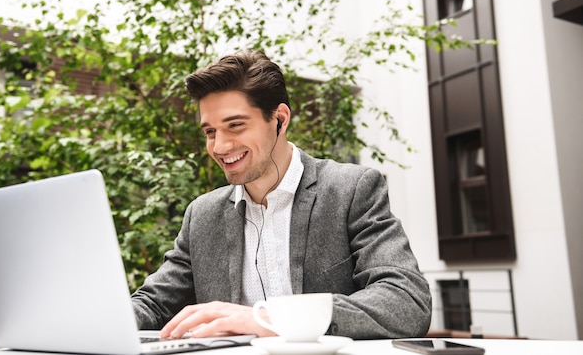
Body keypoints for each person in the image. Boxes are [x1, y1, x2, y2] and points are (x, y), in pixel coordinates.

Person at [131, 50, 432, 340]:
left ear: (280, 119)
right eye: (210, 132)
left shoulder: (350, 190)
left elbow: (406, 301)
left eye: (235, 125)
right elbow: (153, 303)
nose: (220, 146)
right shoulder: (202, 215)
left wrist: (266, 319)